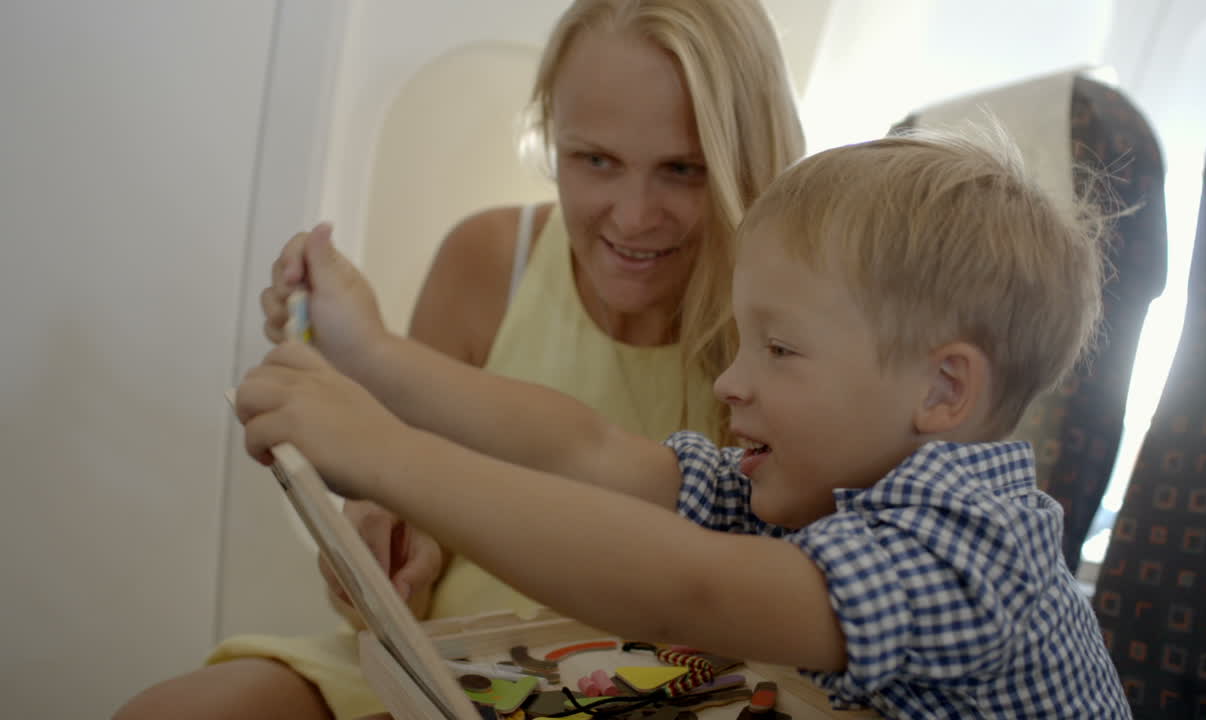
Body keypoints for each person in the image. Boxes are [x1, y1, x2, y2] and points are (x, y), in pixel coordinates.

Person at [234, 131, 1132, 718]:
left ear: (944, 389)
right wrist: (375, 359)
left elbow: (691, 587)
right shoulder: (826, 486)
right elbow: (586, 448)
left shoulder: (969, 538)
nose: (733, 382)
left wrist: (386, 453)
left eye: (779, 350)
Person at [113, 1, 802, 718]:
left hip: (660, 684)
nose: (632, 216)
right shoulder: (487, 261)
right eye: (594, 159)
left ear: (744, 163)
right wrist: (391, 541)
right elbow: (407, 487)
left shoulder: (791, 330)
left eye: (682, 170)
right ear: (551, 137)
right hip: (440, 661)